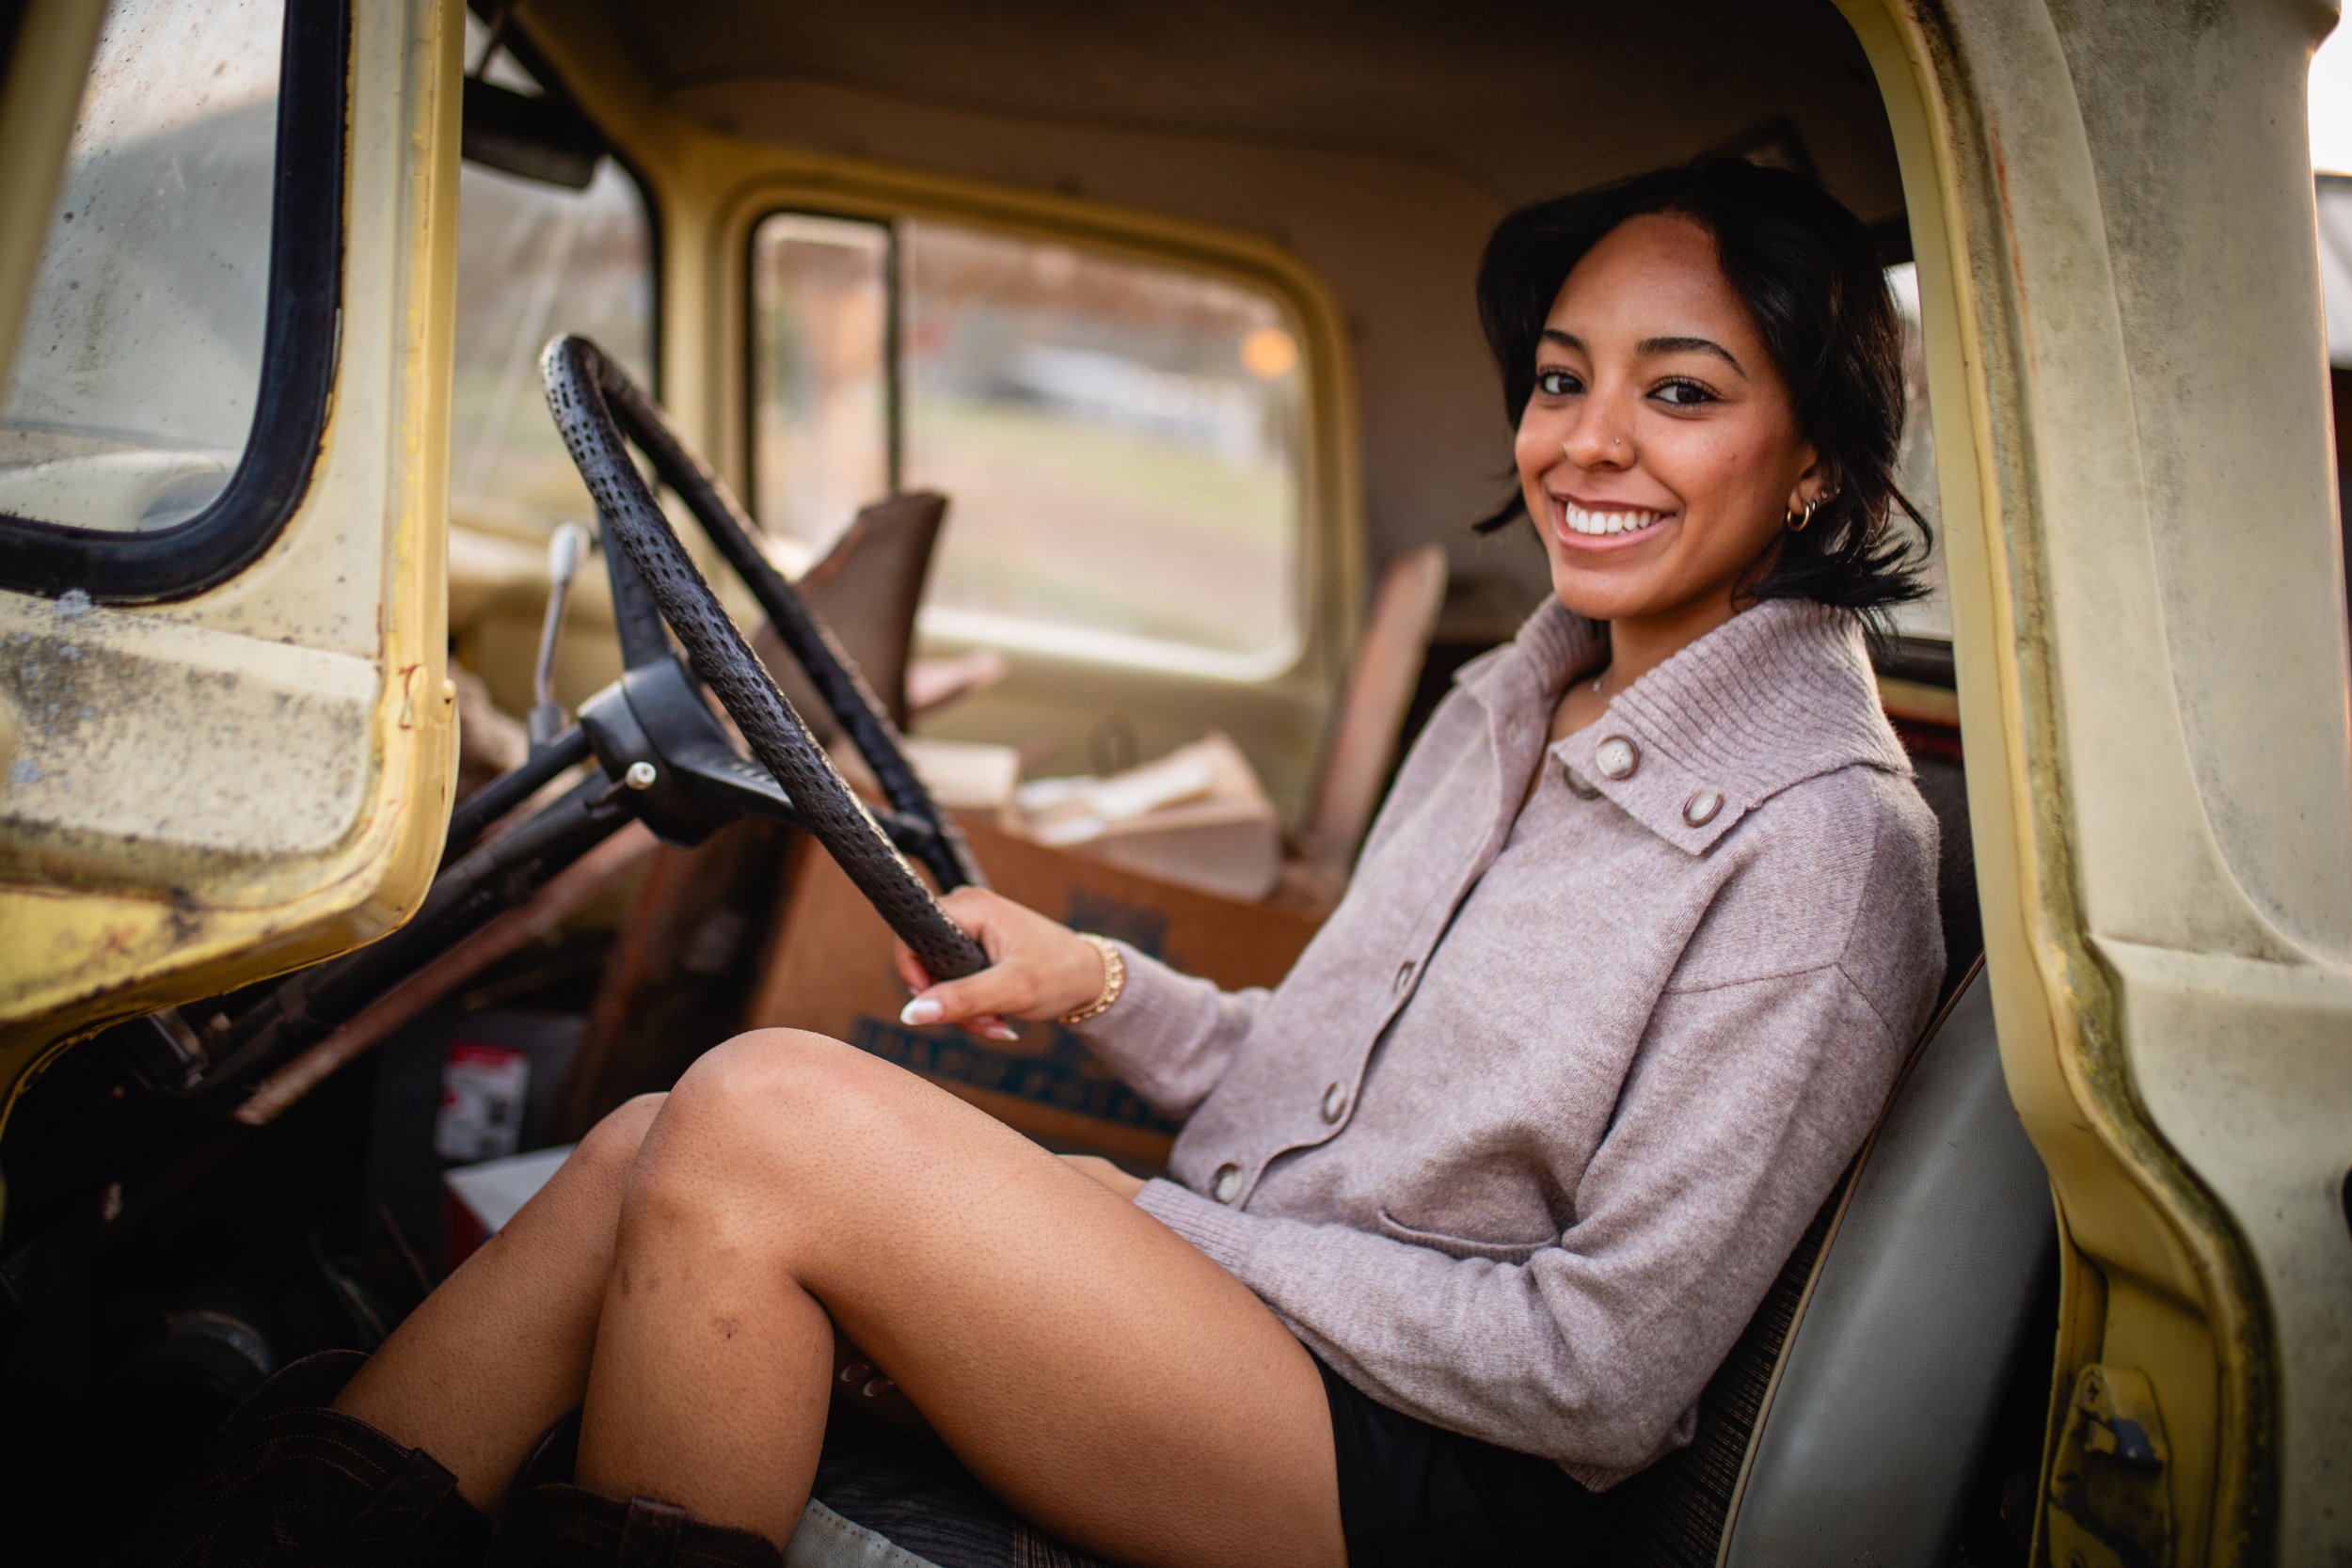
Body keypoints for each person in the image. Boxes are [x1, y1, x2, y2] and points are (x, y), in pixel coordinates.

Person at [160, 158, 1944, 1568]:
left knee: (769, 1108)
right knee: (654, 1144)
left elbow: (1600, 1375)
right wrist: (1092, 984)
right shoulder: (1517, 692)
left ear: (1813, 467)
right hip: (1248, 1302)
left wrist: (1165, 1230)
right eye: (1561, 381)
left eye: (1682, 391)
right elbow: (1327, 1083)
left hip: (1419, 1472)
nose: (1585, 442)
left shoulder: (1825, 850)